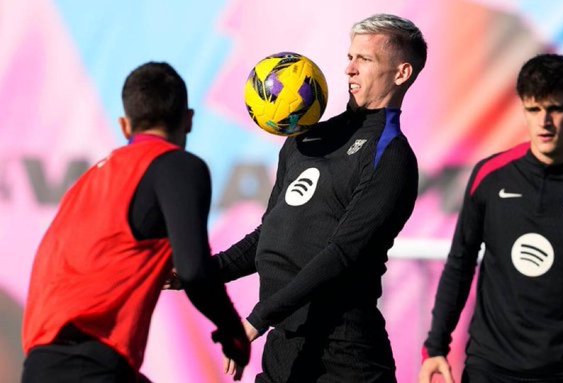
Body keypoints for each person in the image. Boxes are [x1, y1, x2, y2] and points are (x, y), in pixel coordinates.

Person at [216, 13, 427, 382]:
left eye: (365, 59)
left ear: (401, 73)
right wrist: (198, 273)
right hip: (284, 349)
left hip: (345, 354)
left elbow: (342, 254)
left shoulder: (391, 156)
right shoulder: (304, 139)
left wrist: (257, 319)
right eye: (349, 57)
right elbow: (269, 235)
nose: (349, 69)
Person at [419, 53, 563, 383]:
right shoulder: (490, 177)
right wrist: (435, 346)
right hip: (490, 370)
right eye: (534, 109)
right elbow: (460, 263)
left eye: (555, 108)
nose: (544, 121)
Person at [22, 62, 250, 382]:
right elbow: (195, 270)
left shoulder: (88, 181)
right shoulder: (177, 166)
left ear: (125, 126)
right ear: (188, 120)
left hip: (41, 364)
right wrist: (232, 333)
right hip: (90, 364)